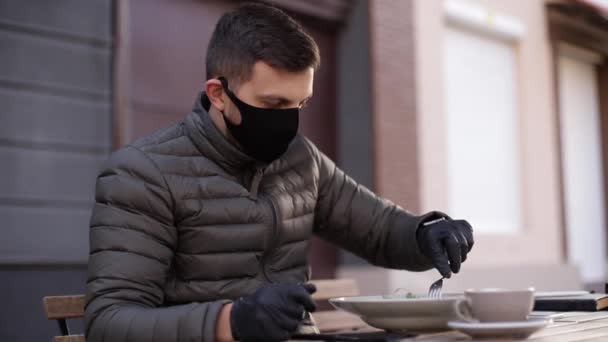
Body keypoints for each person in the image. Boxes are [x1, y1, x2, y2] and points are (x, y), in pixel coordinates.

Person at [84, 3, 474, 342]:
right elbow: (110, 323)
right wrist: (232, 321)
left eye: (299, 104)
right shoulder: (142, 173)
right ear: (218, 94)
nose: (288, 122)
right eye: (273, 104)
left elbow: (380, 230)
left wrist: (427, 234)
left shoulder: (300, 158)